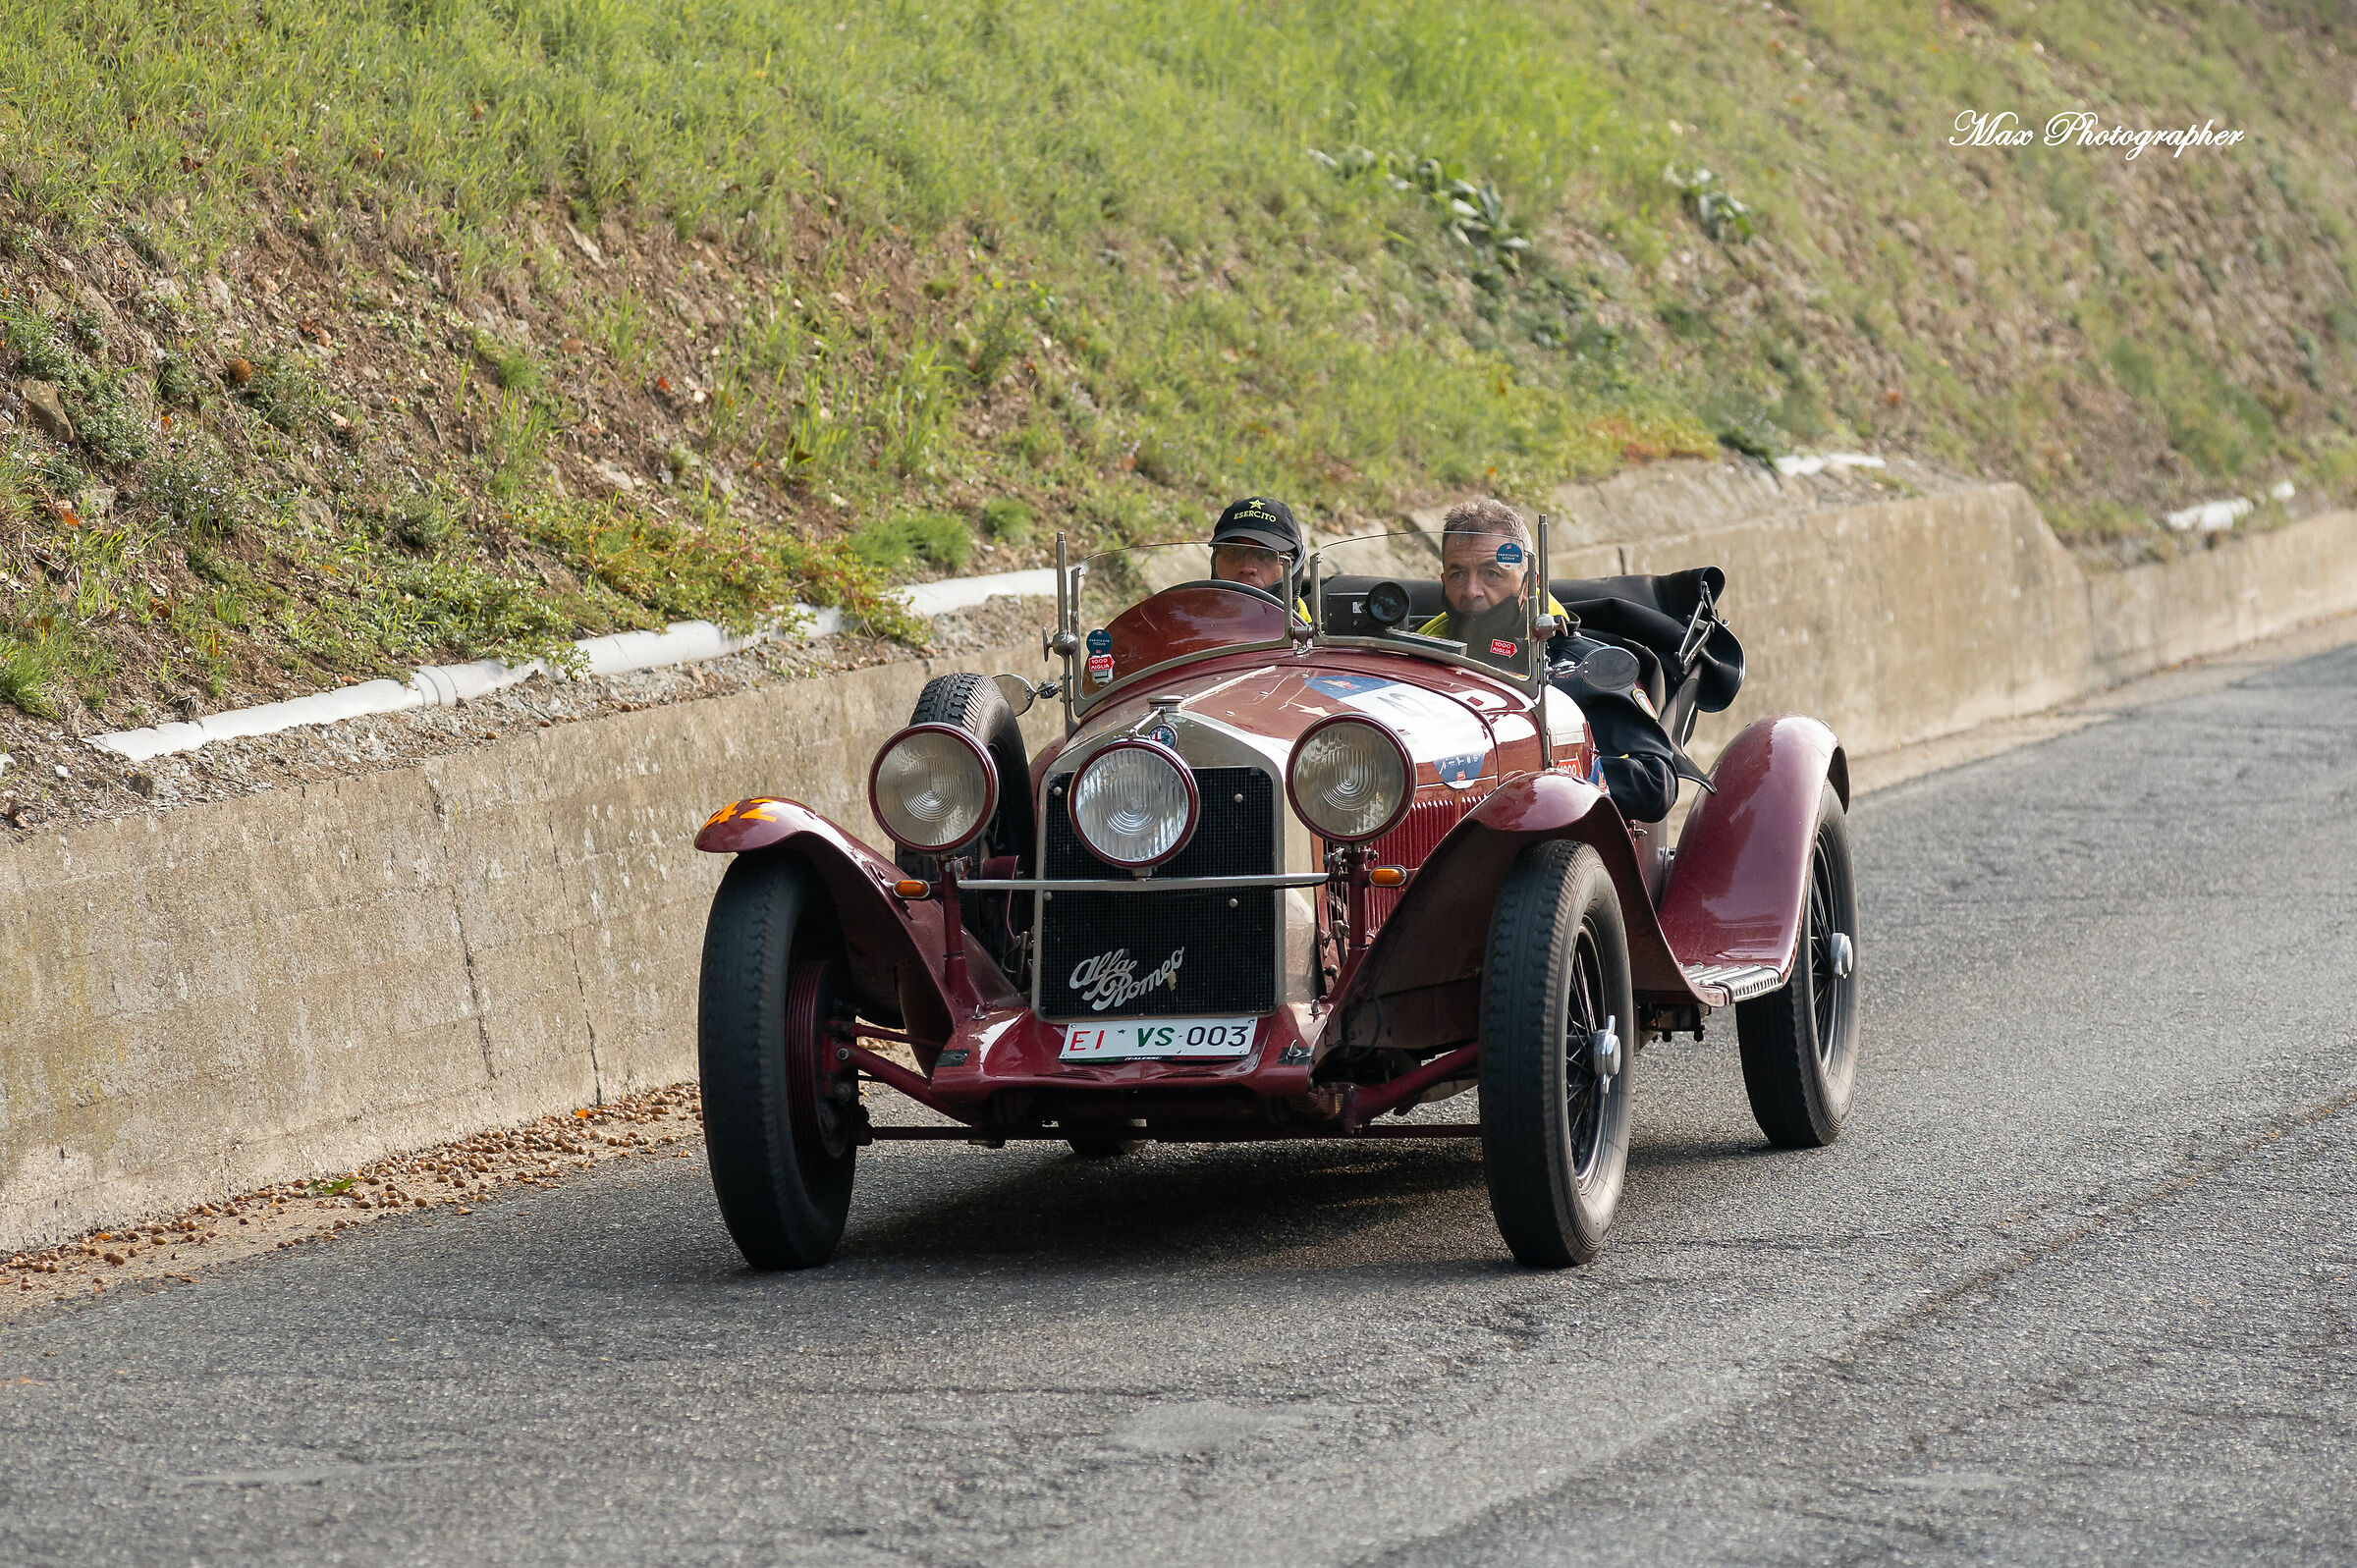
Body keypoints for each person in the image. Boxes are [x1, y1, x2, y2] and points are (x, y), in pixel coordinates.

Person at [1419, 498, 1681, 823]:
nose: (1472, 590)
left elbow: (1656, 784)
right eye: (1459, 574)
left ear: (1531, 582)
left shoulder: (1585, 669)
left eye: (1491, 573)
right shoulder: (1412, 661)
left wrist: (1549, 771)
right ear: (1443, 581)